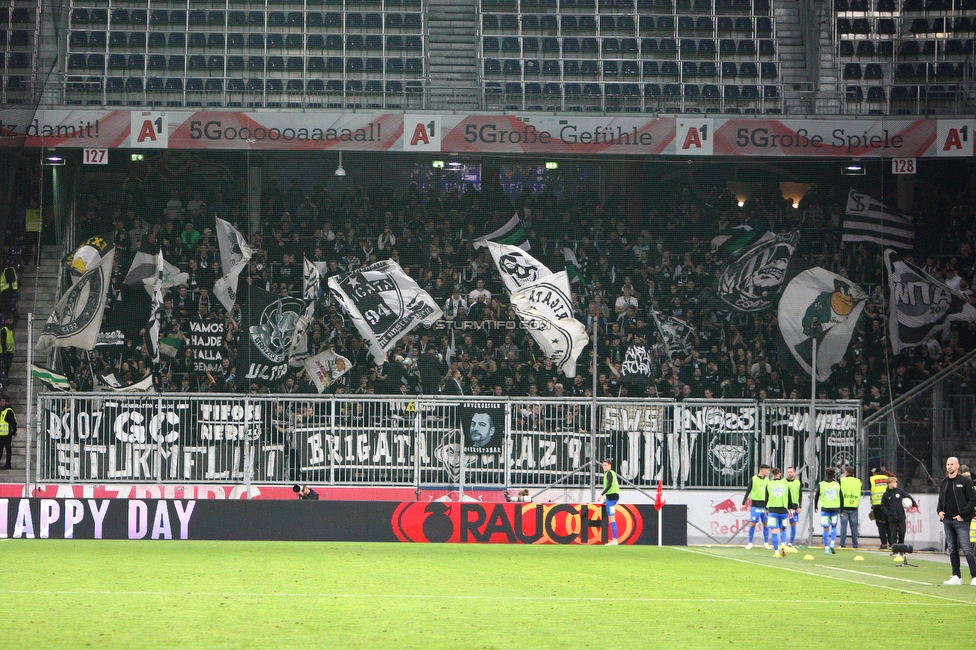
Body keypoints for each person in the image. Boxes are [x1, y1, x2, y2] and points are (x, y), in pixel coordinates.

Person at [937, 456, 976, 586]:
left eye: (952, 464)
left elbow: (972, 500)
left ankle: (974, 576)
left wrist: (963, 515)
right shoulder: (944, 482)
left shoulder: (965, 482)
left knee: (966, 548)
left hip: (961, 520)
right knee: (953, 549)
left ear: (958, 466)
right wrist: (939, 511)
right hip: (947, 520)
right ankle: (956, 576)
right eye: (948, 464)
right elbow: (940, 499)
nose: (949, 466)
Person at [765, 468, 796, 557]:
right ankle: (783, 544)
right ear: (780, 474)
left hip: (772, 510)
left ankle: (776, 552)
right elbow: (790, 497)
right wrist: (790, 509)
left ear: (772, 475)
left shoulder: (769, 484)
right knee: (783, 529)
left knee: (774, 531)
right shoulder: (785, 484)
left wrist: (766, 509)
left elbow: (766, 498)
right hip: (783, 511)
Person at [740, 464, 771, 550]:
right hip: (755, 505)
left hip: (764, 506)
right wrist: (743, 503)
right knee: (753, 523)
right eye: (767, 470)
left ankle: (766, 543)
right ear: (762, 470)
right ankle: (750, 543)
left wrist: (768, 507)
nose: (768, 472)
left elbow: (768, 494)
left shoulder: (768, 480)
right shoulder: (754, 479)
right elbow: (748, 491)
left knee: (766, 524)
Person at [880, 476, 917, 547]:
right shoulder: (886, 494)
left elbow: (909, 497)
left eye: (896, 482)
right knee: (893, 533)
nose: (895, 483)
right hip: (892, 517)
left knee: (902, 531)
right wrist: (889, 513)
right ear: (889, 483)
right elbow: (883, 506)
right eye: (893, 482)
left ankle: (901, 546)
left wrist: (914, 505)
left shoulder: (899, 491)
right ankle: (894, 547)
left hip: (901, 516)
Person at [815, 467, 842, 555]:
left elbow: (817, 495)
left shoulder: (821, 484)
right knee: (834, 527)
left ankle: (826, 548)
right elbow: (841, 497)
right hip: (835, 508)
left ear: (826, 474)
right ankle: (832, 543)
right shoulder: (837, 484)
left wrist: (815, 505)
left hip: (825, 509)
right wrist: (841, 509)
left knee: (825, 529)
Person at [839, 465, 863, 549]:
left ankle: (842, 544)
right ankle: (855, 544)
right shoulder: (858, 481)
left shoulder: (842, 480)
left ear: (846, 472)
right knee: (854, 527)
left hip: (844, 506)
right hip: (854, 505)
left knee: (843, 526)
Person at [599, 459, 621, 546]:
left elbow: (609, 485)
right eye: (603, 465)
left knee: (612, 518)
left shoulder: (609, 473)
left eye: (605, 465)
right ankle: (614, 539)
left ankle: (615, 540)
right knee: (611, 518)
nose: (603, 467)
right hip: (610, 498)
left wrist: (602, 494)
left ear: (609, 466)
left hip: (611, 498)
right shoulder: (611, 473)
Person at [868, 467, 891, 549]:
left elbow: (872, 492)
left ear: (874, 473)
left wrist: (872, 503)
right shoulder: (887, 478)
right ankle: (892, 543)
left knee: (881, 525)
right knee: (889, 524)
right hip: (888, 504)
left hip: (877, 505)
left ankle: (884, 544)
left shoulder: (872, 479)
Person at [785, 466, 802, 549]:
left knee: (793, 525)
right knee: (783, 525)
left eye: (791, 472)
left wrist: (800, 506)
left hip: (794, 508)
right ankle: (783, 541)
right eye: (788, 472)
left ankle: (791, 543)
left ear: (794, 473)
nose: (789, 473)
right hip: (784, 507)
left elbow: (800, 495)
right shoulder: (783, 482)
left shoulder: (798, 482)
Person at [0, 396, 16, 470]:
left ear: (7, 402)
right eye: (1, 401)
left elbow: (12, 422)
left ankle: (8, 464)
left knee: (7, 449)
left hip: (7, 434)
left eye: (3, 401)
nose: (1, 402)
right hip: (1, 433)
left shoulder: (9, 411)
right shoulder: (2, 410)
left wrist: (14, 431)